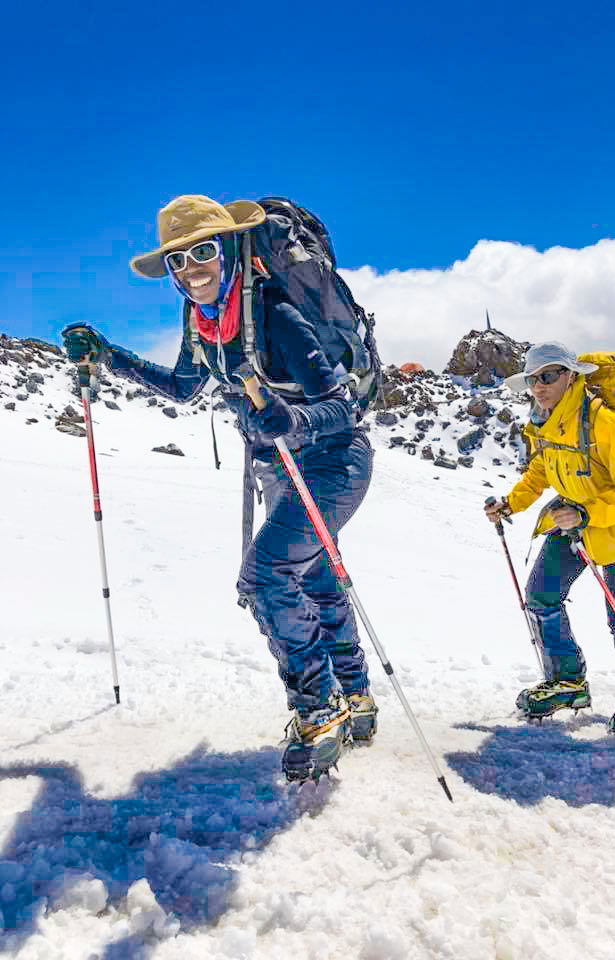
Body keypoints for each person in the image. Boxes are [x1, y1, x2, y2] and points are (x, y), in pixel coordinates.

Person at [62, 194, 378, 782]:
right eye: (177, 261)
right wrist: (112, 355)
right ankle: (355, 698)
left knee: (265, 577)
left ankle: (319, 708)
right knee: (311, 573)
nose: (189, 270)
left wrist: (294, 419)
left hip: (334, 463)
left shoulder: (276, 312)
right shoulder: (203, 322)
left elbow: (342, 406)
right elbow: (185, 387)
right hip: (282, 467)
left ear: (231, 249)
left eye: (202, 252)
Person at [485, 342, 615, 739]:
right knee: (541, 596)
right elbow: (540, 471)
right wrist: (511, 504)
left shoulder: (604, 423)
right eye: (533, 379)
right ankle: (568, 682)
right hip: (571, 524)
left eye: (548, 375)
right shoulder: (545, 421)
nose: (539, 386)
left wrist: (588, 514)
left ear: (571, 376)